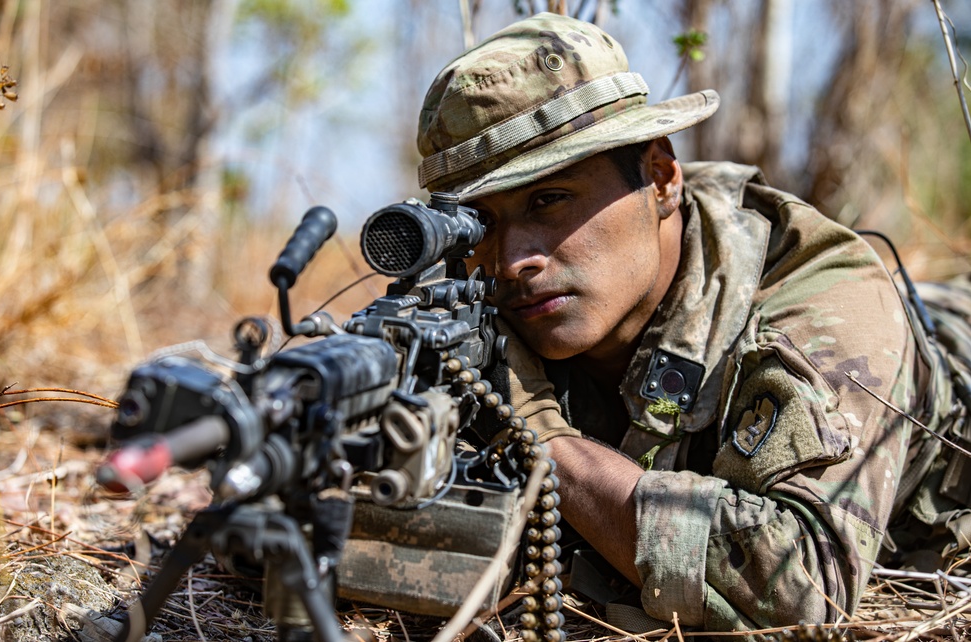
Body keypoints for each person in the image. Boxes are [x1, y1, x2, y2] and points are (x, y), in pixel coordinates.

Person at [414, 11, 971, 634]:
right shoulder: (479, 304)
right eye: (481, 224)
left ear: (660, 177)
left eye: (549, 200)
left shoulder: (820, 299)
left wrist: (544, 439)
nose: (514, 260)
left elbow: (798, 589)